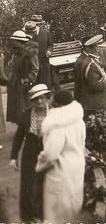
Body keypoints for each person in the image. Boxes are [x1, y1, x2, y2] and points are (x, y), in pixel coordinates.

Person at [36, 89, 86, 224]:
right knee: (71, 204)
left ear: (56, 104)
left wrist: (41, 160)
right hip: (77, 166)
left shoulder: (56, 125)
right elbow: (82, 142)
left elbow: (51, 153)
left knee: (55, 211)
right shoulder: (78, 120)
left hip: (60, 170)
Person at [9, 84, 51, 223]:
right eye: (36, 99)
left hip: (49, 152)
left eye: (42, 98)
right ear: (32, 101)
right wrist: (14, 157)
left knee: (47, 185)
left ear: (47, 98)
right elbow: (19, 137)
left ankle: (45, 215)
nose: (39, 101)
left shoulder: (54, 114)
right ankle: (29, 217)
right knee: (28, 185)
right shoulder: (26, 115)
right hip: (30, 152)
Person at [6, 30, 39, 124]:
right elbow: (11, 66)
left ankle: (29, 129)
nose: (13, 43)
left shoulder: (31, 53)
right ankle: (21, 128)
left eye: (15, 41)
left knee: (25, 106)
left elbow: (35, 68)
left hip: (25, 84)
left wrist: (28, 80)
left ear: (20, 42)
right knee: (16, 107)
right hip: (15, 82)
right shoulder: (16, 53)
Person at [73, 35, 106, 119]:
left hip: (90, 99)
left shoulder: (90, 59)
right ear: (88, 48)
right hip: (88, 99)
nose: (98, 49)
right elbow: (81, 82)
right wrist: (105, 81)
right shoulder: (83, 61)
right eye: (96, 46)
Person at [25, 16, 54, 89]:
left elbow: (50, 44)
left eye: (39, 24)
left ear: (41, 24)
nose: (37, 26)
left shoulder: (46, 33)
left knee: (46, 85)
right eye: (36, 24)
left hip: (44, 62)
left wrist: (49, 50)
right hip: (32, 65)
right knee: (34, 86)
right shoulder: (27, 34)